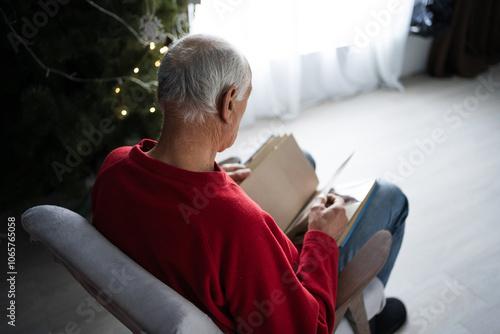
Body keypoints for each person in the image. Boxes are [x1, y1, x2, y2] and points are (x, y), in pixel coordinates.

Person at [91, 34, 408, 334]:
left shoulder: (115, 166)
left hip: (207, 274)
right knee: (390, 197)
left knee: (304, 159)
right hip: (280, 285)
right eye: (245, 97)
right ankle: (369, 315)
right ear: (228, 103)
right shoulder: (234, 222)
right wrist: (322, 239)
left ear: (163, 93)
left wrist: (211, 177)